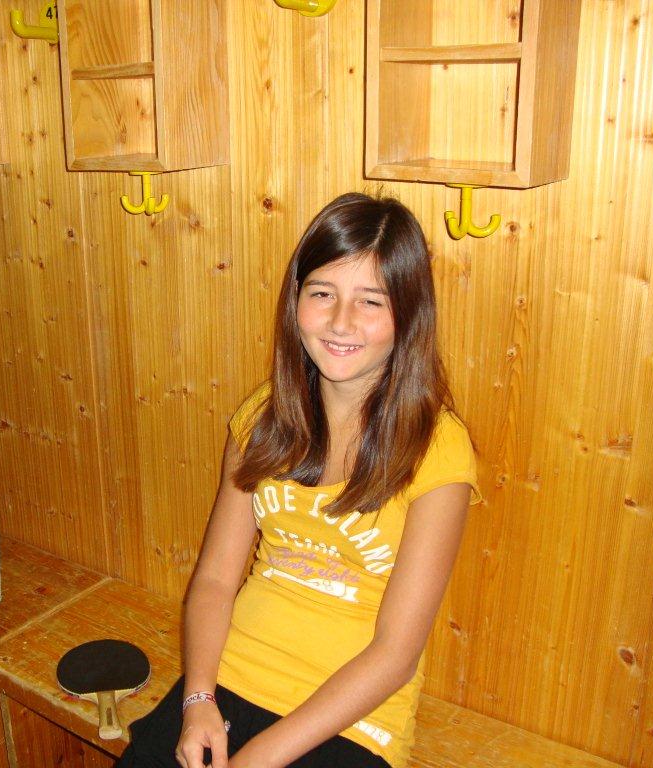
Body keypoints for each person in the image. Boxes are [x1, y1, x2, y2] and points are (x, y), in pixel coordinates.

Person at [117, 193, 479, 768]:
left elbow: (395, 655)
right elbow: (214, 579)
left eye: (371, 301)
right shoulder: (264, 417)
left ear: (408, 315)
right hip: (230, 679)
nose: (341, 322)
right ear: (296, 302)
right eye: (322, 293)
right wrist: (198, 699)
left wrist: (257, 759)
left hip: (353, 717)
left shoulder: (438, 448)